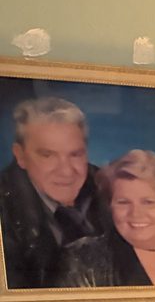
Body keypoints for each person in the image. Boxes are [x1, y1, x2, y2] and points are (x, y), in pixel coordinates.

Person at [0, 96, 110, 288]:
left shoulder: (111, 188)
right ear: (20, 156)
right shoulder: (5, 210)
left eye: (75, 154)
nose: (66, 171)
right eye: (47, 155)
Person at [57, 149, 155, 287]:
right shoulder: (80, 260)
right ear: (109, 206)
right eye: (123, 202)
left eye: (148, 202)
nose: (136, 214)